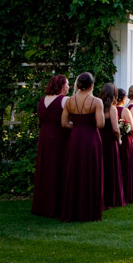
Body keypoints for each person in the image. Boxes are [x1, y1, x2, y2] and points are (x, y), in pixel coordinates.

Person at [60, 72, 106, 222]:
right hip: (91, 138)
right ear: (91, 85)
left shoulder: (69, 101)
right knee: (91, 170)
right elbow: (100, 124)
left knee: (74, 170)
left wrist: (78, 125)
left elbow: (64, 123)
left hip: (75, 138)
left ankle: (72, 209)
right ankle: (90, 210)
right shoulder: (96, 101)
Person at [32, 74, 70, 218]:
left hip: (44, 137)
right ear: (61, 86)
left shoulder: (42, 100)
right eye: (66, 84)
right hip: (59, 137)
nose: (68, 86)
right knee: (58, 167)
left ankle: (42, 204)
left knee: (45, 168)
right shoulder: (65, 100)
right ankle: (56, 205)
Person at [99, 83, 125, 209]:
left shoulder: (98, 106)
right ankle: (112, 198)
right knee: (111, 167)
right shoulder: (112, 108)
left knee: (102, 168)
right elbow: (115, 129)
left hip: (99, 140)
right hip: (109, 140)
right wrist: (119, 139)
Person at [116, 88, 133, 205]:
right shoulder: (125, 111)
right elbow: (132, 129)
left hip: (115, 141)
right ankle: (128, 193)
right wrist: (132, 136)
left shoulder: (110, 109)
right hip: (125, 141)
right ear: (124, 98)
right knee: (127, 165)